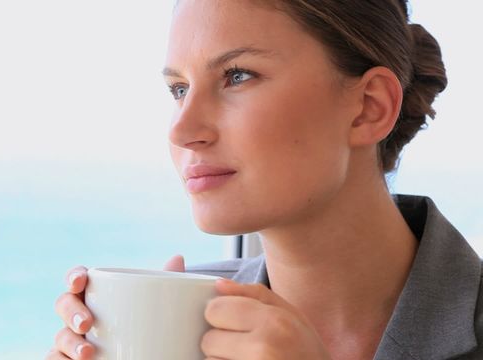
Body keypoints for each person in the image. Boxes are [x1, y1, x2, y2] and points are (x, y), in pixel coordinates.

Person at [48, 0, 483, 359]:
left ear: (370, 106)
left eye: (238, 76)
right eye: (179, 89)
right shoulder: (179, 331)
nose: (181, 131)